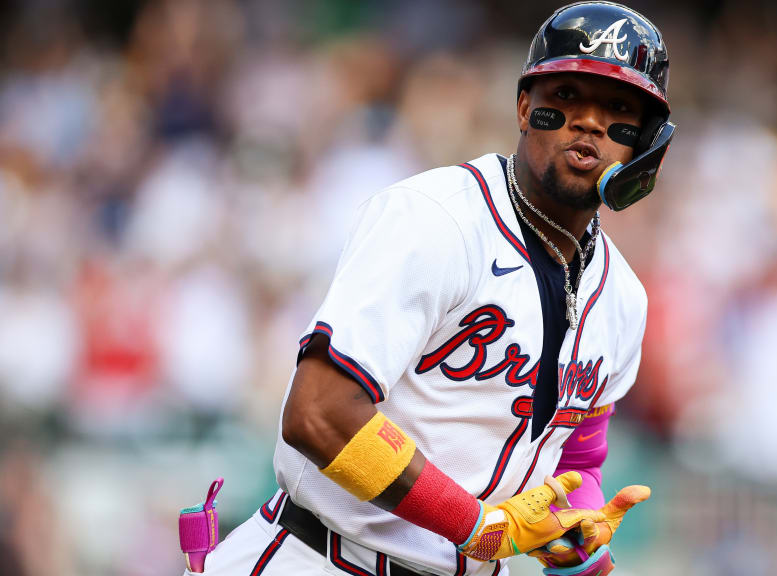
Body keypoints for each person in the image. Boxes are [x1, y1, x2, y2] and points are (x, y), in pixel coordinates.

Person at [183, 3, 675, 575]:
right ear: (524, 107)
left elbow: (578, 459)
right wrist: (474, 526)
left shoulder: (622, 297)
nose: (589, 121)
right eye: (566, 96)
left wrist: (577, 538)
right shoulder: (435, 219)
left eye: (619, 109)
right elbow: (318, 414)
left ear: (644, 141)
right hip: (320, 555)